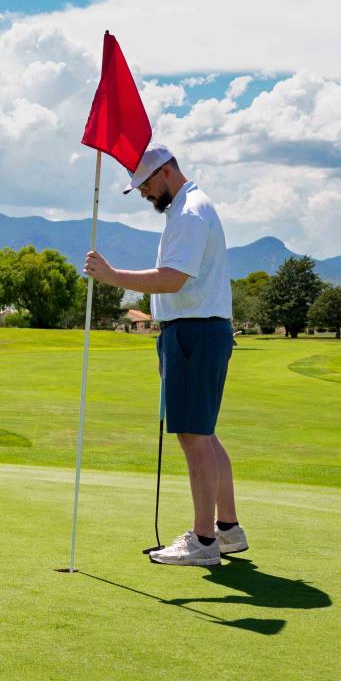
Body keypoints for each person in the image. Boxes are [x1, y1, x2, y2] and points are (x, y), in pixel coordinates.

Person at [83, 143, 244, 566]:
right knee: (204, 432)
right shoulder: (187, 209)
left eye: (146, 184)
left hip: (195, 330)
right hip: (191, 330)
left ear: (167, 172)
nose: (143, 194)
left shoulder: (190, 213)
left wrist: (113, 276)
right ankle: (227, 530)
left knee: (193, 436)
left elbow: (173, 280)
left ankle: (204, 540)